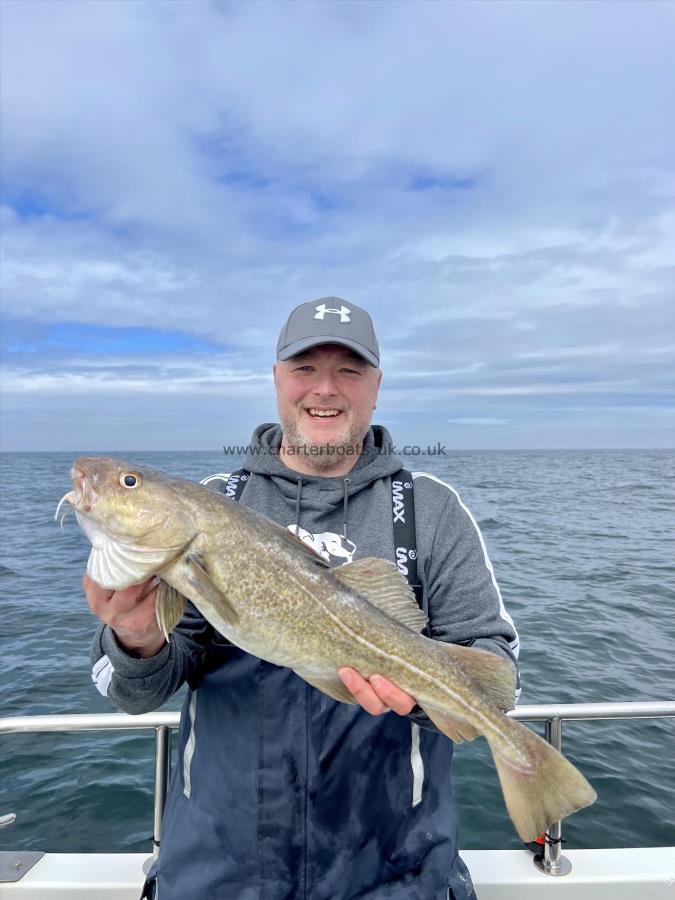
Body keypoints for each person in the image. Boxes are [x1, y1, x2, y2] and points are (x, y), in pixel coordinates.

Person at [85, 297, 520, 900]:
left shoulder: (431, 509)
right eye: (304, 368)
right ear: (276, 379)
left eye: (349, 369)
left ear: (376, 386)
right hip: (218, 874)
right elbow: (133, 693)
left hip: (398, 876)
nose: (325, 389)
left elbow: (497, 671)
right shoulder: (218, 501)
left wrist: (420, 696)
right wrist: (136, 639)